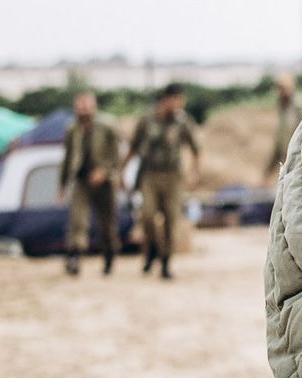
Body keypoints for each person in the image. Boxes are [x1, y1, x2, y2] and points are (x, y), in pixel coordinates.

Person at [128, 82, 200, 280]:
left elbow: (195, 148)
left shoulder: (182, 121)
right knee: (148, 216)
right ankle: (152, 248)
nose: (179, 106)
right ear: (166, 100)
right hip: (150, 174)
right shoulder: (147, 119)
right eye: (177, 101)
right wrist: (122, 170)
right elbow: (133, 146)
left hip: (173, 176)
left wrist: (193, 173)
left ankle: (166, 262)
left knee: (171, 219)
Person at [61, 91, 123, 275]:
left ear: (94, 106)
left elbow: (117, 155)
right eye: (80, 106)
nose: (83, 110)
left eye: (86, 105)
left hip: (105, 182)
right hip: (81, 180)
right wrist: (62, 185)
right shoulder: (72, 129)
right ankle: (75, 257)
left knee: (107, 224)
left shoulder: (108, 126)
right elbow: (67, 158)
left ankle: (109, 256)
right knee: (77, 220)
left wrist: (105, 172)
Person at [264, 72, 302, 182]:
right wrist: (267, 173)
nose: (281, 92)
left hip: (301, 163)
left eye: (283, 88)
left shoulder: (299, 106)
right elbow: (280, 143)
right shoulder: (283, 107)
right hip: (289, 163)